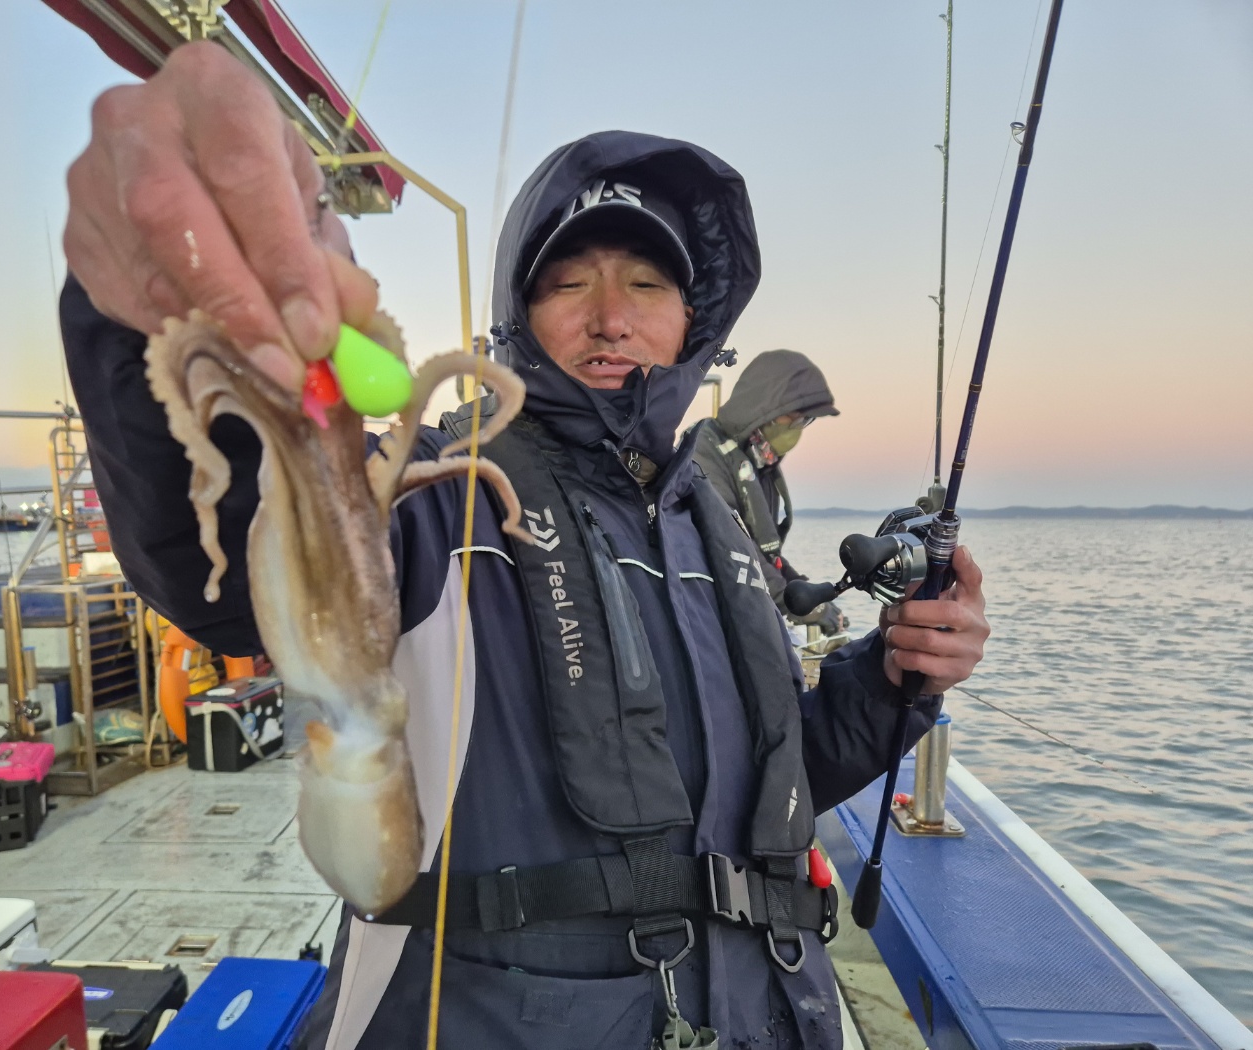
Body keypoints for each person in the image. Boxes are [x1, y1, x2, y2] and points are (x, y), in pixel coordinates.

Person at [60, 43, 989, 1050]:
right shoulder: (437, 493)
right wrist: (147, 299)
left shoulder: (714, 521)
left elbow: (778, 781)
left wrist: (893, 680)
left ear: (694, 320)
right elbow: (227, 562)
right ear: (519, 313)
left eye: (645, 284)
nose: (609, 318)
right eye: (568, 283)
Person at [692, 351, 847, 635]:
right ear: (765, 411)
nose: (799, 429)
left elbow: (767, 555)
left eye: (806, 420)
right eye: (795, 418)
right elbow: (735, 549)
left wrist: (806, 591)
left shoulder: (758, 462)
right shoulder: (703, 455)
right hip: (710, 620)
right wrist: (799, 606)